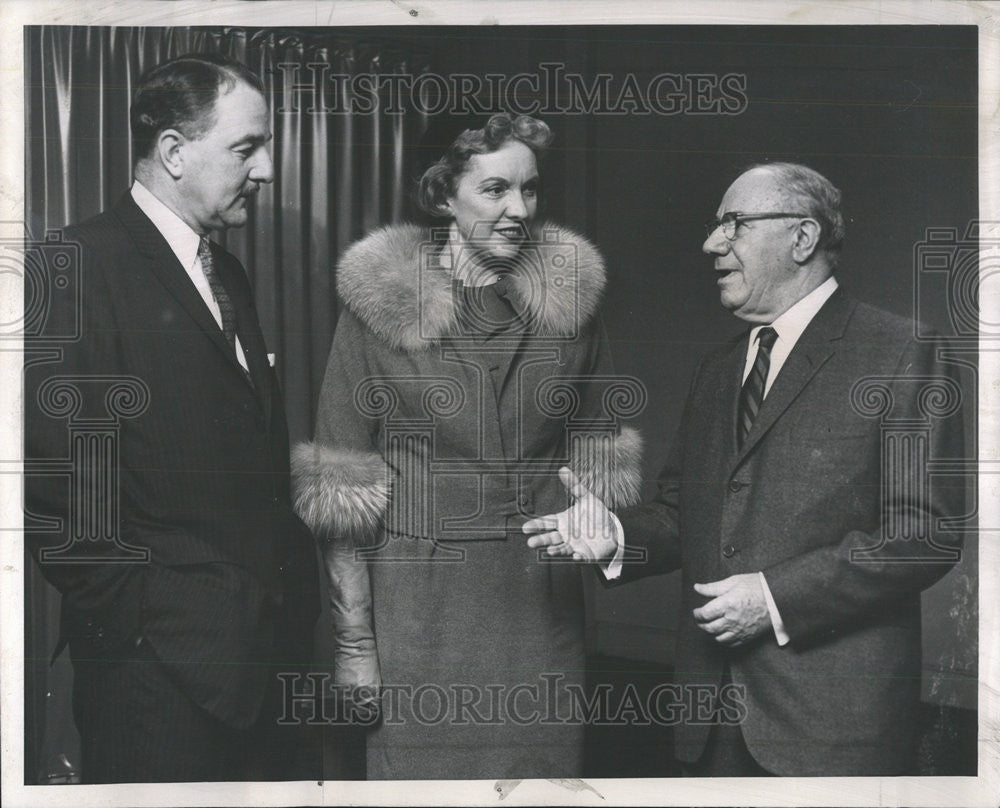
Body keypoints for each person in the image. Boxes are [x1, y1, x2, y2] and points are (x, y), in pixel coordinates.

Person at [524, 162, 965, 776]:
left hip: (831, 732)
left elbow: (924, 535)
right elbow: (687, 513)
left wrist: (775, 597)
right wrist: (619, 536)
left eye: (733, 223)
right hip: (707, 724)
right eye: (715, 226)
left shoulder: (898, 349)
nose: (711, 244)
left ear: (803, 238)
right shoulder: (719, 368)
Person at [291, 112, 642, 779]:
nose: (519, 210)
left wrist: (598, 519)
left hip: (539, 609)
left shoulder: (573, 308)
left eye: (531, 189)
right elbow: (339, 497)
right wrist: (355, 643)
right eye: (495, 190)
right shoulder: (377, 307)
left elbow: (603, 465)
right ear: (442, 195)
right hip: (417, 612)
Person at [24, 53, 319, 783]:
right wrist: (159, 636)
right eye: (247, 148)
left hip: (261, 670)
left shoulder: (229, 271)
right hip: (155, 685)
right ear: (174, 153)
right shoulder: (72, 267)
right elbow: (63, 507)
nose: (269, 171)